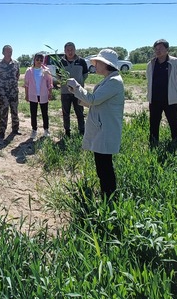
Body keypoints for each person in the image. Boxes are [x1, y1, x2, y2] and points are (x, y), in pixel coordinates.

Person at [67, 49, 125, 196]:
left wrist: (77, 87)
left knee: (104, 166)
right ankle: (107, 193)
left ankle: (109, 195)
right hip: (103, 127)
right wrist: (76, 92)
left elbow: (93, 100)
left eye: (98, 62)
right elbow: (96, 102)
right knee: (102, 165)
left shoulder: (114, 81)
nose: (95, 65)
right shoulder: (109, 79)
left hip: (106, 129)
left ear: (106, 64)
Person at [146, 39, 177, 148]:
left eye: (160, 48)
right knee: (153, 122)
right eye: (156, 49)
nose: (158, 51)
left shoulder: (176, 62)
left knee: (173, 121)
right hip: (154, 98)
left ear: (167, 49)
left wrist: (175, 90)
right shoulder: (151, 64)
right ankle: (153, 142)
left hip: (170, 98)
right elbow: (148, 80)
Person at [59, 42, 89, 137]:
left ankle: (82, 131)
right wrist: (65, 83)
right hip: (65, 92)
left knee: (80, 112)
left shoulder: (81, 61)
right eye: (68, 50)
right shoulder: (60, 62)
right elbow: (58, 76)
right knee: (65, 113)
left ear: (75, 50)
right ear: (64, 51)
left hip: (78, 92)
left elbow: (85, 74)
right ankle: (67, 131)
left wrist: (78, 84)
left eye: (71, 49)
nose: (70, 52)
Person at [23, 52, 53, 139]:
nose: (39, 61)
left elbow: (50, 83)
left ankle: (46, 129)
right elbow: (26, 84)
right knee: (33, 113)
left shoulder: (46, 70)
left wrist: (50, 93)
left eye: (41, 60)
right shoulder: (29, 71)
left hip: (43, 94)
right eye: (37, 59)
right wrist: (26, 95)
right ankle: (34, 130)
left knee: (45, 113)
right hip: (33, 95)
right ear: (34, 60)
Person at [0, 45, 20, 139]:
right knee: (3, 112)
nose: (9, 53)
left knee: (15, 111)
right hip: (4, 93)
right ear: (3, 53)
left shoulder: (16, 63)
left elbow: (17, 75)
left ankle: (15, 129)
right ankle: (2, 131)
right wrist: (2, 89)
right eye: (7, 51)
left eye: (10, 51)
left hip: (14, 92)